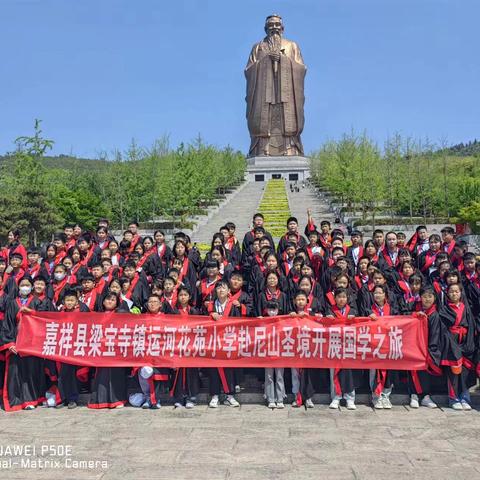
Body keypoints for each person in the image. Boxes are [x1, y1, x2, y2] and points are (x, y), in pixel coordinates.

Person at [245, 14, 306, 156]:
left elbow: (301, 69)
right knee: (263, 120)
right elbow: (249, 70)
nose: (274, 28)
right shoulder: (258, 48)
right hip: (264, 95)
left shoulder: (292, 46)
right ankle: (262, 150)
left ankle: (290, 150)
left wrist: (284, 60)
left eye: (277, 25)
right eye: (271, 25)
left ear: (282, 28)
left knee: (287, 120)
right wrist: (266, 60)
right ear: (265, 29)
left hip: (287, 95)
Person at [0, 276, 46, 411]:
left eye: (27, 285)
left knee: (30, 373)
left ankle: (30, 400)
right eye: (22, 285)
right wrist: (10, 343)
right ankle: (16, 400)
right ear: (18, 287)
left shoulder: (37, 302)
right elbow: (7, 325)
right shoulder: (13, 303)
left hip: (32, 345)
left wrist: (32, 312)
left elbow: (45, 320)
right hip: (16, 345)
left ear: (31, 287)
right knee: (15, 373)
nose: (24, 287)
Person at [439, 283, 477, 410]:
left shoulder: (466, 308)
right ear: (448, 293)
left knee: (465, 372)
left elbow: (471, 327)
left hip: (465, 342)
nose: (454, 294)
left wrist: (469, 343)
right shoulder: (444, 309)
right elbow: (444, 330)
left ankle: (465, 397)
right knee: (453, 372)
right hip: (451, 343)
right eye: (451, 292)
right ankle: (453, 399)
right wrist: (453, 346)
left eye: (456, 291)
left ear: (461, 293)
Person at [205, 281, 241, 408]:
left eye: (223, 287)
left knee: (229, 369)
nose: (221, 290)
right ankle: (215, 395)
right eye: (218, 288)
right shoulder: (210, 306)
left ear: (228, 291)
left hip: (229, 341)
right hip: (213, 341)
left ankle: (229, 395)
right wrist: (211, 315)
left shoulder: (234, 306)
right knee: (214, 369)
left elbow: (238, 323)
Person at [325, 287, 359, 410]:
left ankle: (350, 398)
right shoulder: (329, 310)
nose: (341, 299)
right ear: (335, 299)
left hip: (349, 344)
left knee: (349, 372)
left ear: (347, 298)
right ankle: (336, 397)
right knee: (334, 372)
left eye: (344, 297)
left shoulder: (353, 310)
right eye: (339, 297)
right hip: (334, 344)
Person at [264, 300, 286, 408]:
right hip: (268, 353)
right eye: (270, 309)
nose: (272, 312)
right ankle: (270, 398)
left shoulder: (282, 321)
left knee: (279, 376)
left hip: (279, 353)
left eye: (274, 309)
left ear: (278, 310)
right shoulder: (263, 321)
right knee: (269, 377)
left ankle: (280, 398)